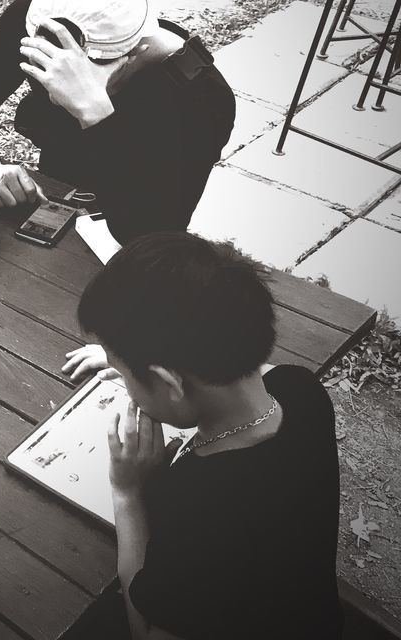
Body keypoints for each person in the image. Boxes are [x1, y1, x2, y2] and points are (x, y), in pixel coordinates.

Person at [64, 232, 342, 640]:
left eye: (124, 377)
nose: (124, 384)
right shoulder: (302, 390)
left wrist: (127, 494)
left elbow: (146, 632)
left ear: (169, 382)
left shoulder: (201, 505)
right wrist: (131, 359)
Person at [0, 0, 235, 242]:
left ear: (137, 51)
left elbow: (151, 230)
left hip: (124, 236)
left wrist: (97, 115)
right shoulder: (43, 21)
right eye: (44, 67)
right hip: (55, 198)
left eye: (80, 77)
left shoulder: (204, 100)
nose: (56, 98)